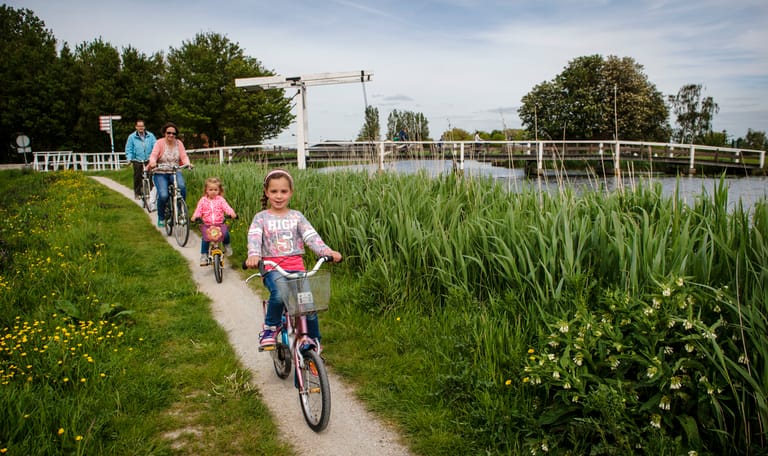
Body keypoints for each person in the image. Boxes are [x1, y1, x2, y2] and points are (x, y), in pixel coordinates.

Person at [245, 169, 342, 350]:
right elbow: (254, 238)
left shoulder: (297, 216)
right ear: (266, 192)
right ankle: (270, 327)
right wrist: (253, 255)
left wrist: (326, 251)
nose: (279, 196)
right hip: (272, 269)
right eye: (274, 191)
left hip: (297, 268)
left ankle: (311, 341)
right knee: (280, 295)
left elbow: (311, 237)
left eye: (284, 191)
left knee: (308, 306)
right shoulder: (261, 218)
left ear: (291, 192)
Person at [147, 122, 192, 227]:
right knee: (163, 195)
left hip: (174, 171)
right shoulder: (159, 143)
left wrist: (187, 163)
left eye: (173, 133)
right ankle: (161, 217)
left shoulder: (179, 143)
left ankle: (181, 210)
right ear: (164, 133)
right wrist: (153, 162)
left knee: (181, 186)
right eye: (168, 133)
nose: (171, 135)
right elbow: (153, 155)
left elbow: (183, 156)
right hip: (160, 172)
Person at [191, 177, 237, 266]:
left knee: (226, 234)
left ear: (219, 190)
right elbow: (198, 210)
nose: (213, 191)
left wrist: (232, 213)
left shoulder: (220, 200)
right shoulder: (203, 200)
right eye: (210, 189)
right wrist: (194, 216)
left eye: (215, 189)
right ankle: (204, 255)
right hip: (207, 225)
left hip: (219, 224)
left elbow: (226, 207)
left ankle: (227, 246)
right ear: (206, 190)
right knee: (205, 239)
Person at [124, 120, 157, 199]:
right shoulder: (132, 137)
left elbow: (155, 146)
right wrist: (129, 159)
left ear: (144, 127)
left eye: (142, 126)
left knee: (151, 175)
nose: (140, 128)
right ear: (136, 127)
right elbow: (129, 149)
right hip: (137, 159)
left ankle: (152, 193)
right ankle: (137, 193)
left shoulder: (150, 136)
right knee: (138, 176)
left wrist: (155, 157)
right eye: (139, 126)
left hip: (149, 159)